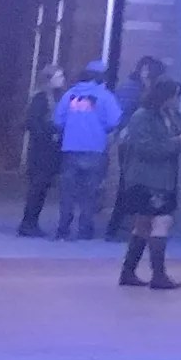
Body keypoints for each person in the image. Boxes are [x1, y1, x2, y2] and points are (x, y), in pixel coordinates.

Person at [114, 76, 181, 290]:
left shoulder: (172, 115)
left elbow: (174, 141)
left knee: (143, 223)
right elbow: (147, 149)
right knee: (162, 222)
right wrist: (178, 141)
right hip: (146, 178)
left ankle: (128, 271)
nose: (176, 101)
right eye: (174, 96)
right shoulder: (142, 117)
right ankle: (158, 274)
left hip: (166, 178)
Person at [51, 61, 122, 239]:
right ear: (101, 77)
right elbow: (114, 121)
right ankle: (85, 229)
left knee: (68, 192)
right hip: (95, 149)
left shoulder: (69, 95)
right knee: (90, 193)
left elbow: (58, 120)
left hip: (70, 149)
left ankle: (63, 229)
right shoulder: (105, 96)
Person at [16, 65, 67, 236]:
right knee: (37, 187)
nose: (62, 79)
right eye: (59, 76)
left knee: (42, 188)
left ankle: (32, 222)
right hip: (41, 151)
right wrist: (48, 134)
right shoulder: (41, 98)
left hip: (49, 150)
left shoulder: (56, 97)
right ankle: (28, 223)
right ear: (49, 79)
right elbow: (33, 121)